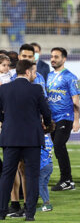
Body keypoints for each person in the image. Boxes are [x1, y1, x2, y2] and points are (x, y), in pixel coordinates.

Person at [0, 59, 52, 221]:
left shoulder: (4, 89)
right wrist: (47, 125)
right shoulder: (36, 89)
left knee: (7, 175)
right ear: (27, 72)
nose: (34, 75)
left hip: (10, 137)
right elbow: (46, 113)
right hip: (32, 139)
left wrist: (7, 121)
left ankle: (1, 213)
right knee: (32, 176)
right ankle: (30, 215)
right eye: (33, 72)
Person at [47, 47, 79, 191]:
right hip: (52, 120)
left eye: (56, 56)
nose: (53, 59)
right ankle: (68, 181)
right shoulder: (48, 76)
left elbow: (76, 100)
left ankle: (66, 180)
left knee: (59, 146)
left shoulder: (70, 77)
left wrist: (76, 120)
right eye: (52, 56)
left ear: (64, 59)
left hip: (65, 117)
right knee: (59, 148)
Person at [37, 134, 54, 212]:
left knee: (39, 185)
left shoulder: (39, 137)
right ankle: (46, 202)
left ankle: (47, 205)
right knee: (44, 185)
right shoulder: (47, 137)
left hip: (43, 165)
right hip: (49, 164)